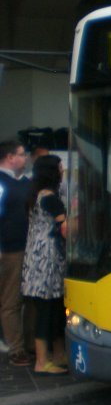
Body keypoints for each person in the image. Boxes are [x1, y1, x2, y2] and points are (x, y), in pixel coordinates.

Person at [20, 155, 67, 375]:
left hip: (35, 260)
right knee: (48, 310)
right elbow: (66, 227)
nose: (63, 170)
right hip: (48, 262)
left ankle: (57, 354)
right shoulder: (50, 198)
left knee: (52, 308)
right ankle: (42, 360)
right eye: (60, 167)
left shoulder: (35, 194)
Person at [0, 140, 31, 366]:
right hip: (9, 250)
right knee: (11, 301)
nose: (26, 158)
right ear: (10, 157)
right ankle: (16, 349)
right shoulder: (2, 184)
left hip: (25, 248)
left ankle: (23, 344)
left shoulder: (24, 182)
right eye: (21, 154)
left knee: (21, 299)